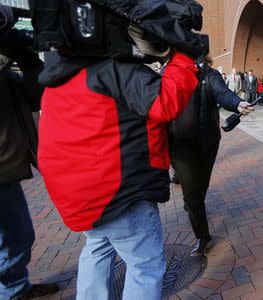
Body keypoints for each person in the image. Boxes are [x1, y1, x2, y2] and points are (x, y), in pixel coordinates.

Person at [37, 1, 204, 299]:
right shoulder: (113, 72)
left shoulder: (58, 78)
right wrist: (181, 55)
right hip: (118, 196)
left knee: (98, 248)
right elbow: (166, 103)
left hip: (79, 197)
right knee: (146, 264)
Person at [0, 14, 60, 299]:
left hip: (7, 170)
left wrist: (27, 56)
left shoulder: (7, 77)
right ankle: (11, 293)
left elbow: (38, 94)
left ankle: (16, 288)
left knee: (19, 237)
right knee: (11, 241)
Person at [170, 56, 253, 256]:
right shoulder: (168, 74)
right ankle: (202, 236)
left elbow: (222, 93)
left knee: (201, 186)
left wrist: (237, 103)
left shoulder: (208, 74)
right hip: (179, 145)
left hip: (206, 141)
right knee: (191, 193)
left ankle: (193, 204)